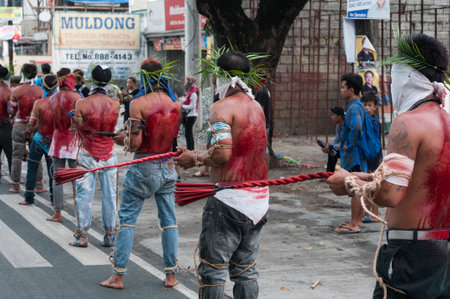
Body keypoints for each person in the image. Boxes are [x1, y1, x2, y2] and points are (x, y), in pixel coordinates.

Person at [327, 33, 449, 298]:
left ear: (406, 76)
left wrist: (349, 183)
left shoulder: (408, 122)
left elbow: (391, 195)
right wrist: (372, 176)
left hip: (413, 256)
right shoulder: (446, 119)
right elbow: (425, 179)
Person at [174, 50, 268, 298]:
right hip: (258, 199)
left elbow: (223, 153)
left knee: (213, 271)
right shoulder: (256, 106)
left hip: (230, 200)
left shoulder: (221, 107)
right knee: (246, 270)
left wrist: (193, 158)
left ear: (219, 77)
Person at [100, 58, 181, 289]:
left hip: (145, 164)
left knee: (127, 220)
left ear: (143, 76)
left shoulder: (138, 103)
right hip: (167, 164)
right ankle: (171, 276)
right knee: (169, 221)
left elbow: (135, 144)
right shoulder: (174, 102)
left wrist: (121, 139)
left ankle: (118, 276)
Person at [69, 65, 120, 247]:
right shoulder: (115, 103)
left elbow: (78, 129)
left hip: (87, 153)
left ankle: (82, 236)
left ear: (92, 80)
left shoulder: (82, 103)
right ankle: (109, 235)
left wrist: (74, 119)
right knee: (110, 195)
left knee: (84, 195)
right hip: (108, 153)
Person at [46, 68, 81, 223]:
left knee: (57, 178)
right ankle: (79, 213)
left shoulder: (52, 98)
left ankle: (58, 213)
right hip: (73, 140)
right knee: (76, 179)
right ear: (70, 80)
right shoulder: (77, 97)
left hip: (58, 139)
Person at [19, 74, 58, 206]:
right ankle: (54, 199)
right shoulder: (60, 103)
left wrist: (30, 131)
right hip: (53, 141)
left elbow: (31, 124)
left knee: (32, 168)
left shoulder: (39, 103)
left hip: (39, 139)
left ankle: (29, 197)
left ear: (43, 86)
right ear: (56, 86)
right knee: (52, 170)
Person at [336, 73, 367, 234]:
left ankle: (354, 223)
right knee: (357, 186)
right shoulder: (358, 106)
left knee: (355, 187)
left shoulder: (354, 107)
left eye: (343, 87)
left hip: (353, 154)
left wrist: (349, 144)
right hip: (356, 153)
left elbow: (356, 126)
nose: (341, 90)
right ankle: (357, 219)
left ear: (351, 89)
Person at [8, 63, 45, 193]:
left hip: (19, 124)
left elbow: (11, 109)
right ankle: (39, 185)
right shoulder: (40, 91)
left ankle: (15, 185)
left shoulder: (16, 90)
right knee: (36, 156)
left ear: (23, 73)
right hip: (35, 126)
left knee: (16, 156)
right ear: (35, 74)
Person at [360, 92, 382, 222]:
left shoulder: (374, 122)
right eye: (364, 105)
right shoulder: (365, 120)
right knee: (366, 186)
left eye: (369, 105)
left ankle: (374, 215)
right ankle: (365, 212)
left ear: (375, 107)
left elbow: (374, 143)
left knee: (373, 187)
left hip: (374, 157)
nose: (367, 107)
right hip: (367, 156)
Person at [322, 106, 344, 172]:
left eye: (333, 115)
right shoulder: (338, 126)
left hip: (348, 150)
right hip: (342, 148)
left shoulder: (346, 126)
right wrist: (329, 147)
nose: (332, 117)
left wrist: (331, 146)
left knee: (333, 150)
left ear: (339, 116)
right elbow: (337, 139)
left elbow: (344, 143)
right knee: (332, 153)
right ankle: (329, 174)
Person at [0, 65, 12, 180]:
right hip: (4, 123)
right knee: (9, 153)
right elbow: (10, 110)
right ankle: (13, 177)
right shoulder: (7, 91)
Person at [182, 76, 199, 150]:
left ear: (189, 83)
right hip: (189, 115)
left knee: (188, 134)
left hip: (191, 116)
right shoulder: (189, 92)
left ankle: (190, 149)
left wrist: (182, 106)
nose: (184, 83)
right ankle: (191, 149)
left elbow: (192, 106)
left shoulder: (193, 94)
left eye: (185, 82)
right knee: (188, 134)